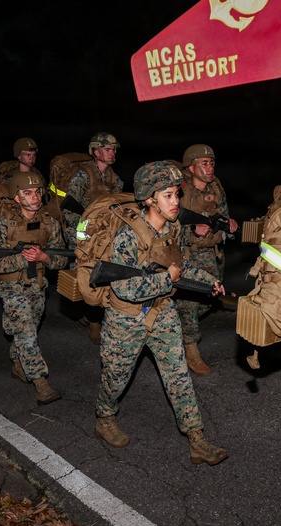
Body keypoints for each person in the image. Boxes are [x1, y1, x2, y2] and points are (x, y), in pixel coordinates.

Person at [94, 161, 229, 466]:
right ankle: (104, 418)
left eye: (176, 195)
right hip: (126, 318)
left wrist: (209, 280)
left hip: (162, 312)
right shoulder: (128, 236)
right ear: (149, 199)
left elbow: (180, 265)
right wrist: (167, 279)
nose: (175, 202)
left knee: (178, 375)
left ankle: (197, 439)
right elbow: (124, 288)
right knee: (116, 377)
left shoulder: (172, 229)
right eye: (168, 195)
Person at [0, 171, 70, 404]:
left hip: (38, 286)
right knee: (27, 332)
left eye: (38, 192)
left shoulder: (50, 223)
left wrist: (43, 257)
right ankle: (40, 382)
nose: (35, 197)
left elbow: (62, 258)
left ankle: (18, 364)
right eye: (28, 193)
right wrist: (24, 260)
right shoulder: (3, 226)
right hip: (11, 288)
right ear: (17, 198)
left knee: (26, 330)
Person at [176, 144, 238, 375]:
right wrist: (190, 231)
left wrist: (229, 225)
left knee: (207, 300)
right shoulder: (178, 192)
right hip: (188, 256)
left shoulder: (216, 187)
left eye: (211, 162)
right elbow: (162, 227)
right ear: (191, 167)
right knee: (189, 305)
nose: (210, 167)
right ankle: (191, 352)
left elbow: (222, 214)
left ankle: (176, 325)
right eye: (204, 163)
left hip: (212, 255)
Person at [62, 132, 125, 344]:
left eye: (114, 149)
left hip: (104, 235)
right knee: (84, 276)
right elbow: (69, 209)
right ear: (96, 152)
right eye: (108, 149)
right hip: (83, 233)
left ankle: (98, 316)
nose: (112, 153)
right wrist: (85, 230)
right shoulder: (83, 176)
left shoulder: (113, 177)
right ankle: (92, 319)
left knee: (103, 275)